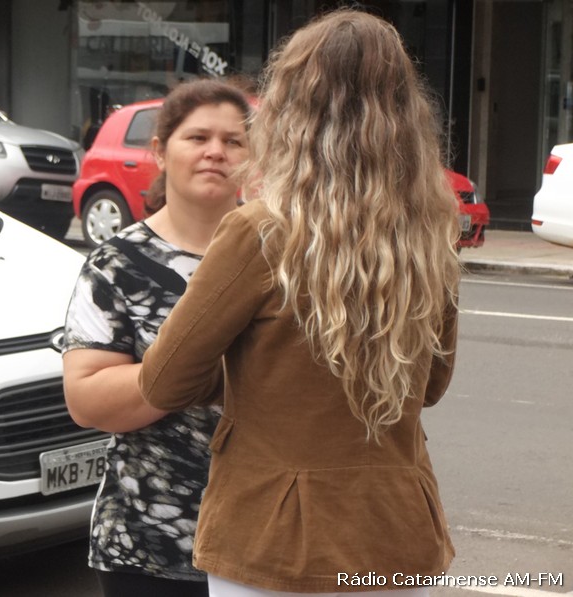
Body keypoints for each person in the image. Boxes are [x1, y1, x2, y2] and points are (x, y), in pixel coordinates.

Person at [139, 9, 461, 597]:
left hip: (274, 536)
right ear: (406, 115)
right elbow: (431, 386)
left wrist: (257, 378)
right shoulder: (429, 234)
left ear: (290, 112)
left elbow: (163, 381)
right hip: (396, 530)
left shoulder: (259, 232)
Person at [62, 79, 251, 597]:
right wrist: (198, 370)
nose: (216, 151)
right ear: (161, 152)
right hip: (149, 545)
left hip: (264, 543)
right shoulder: (116, 264)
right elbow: (87, 400)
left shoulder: (283, 255)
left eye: (233, 141)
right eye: (198, 137)